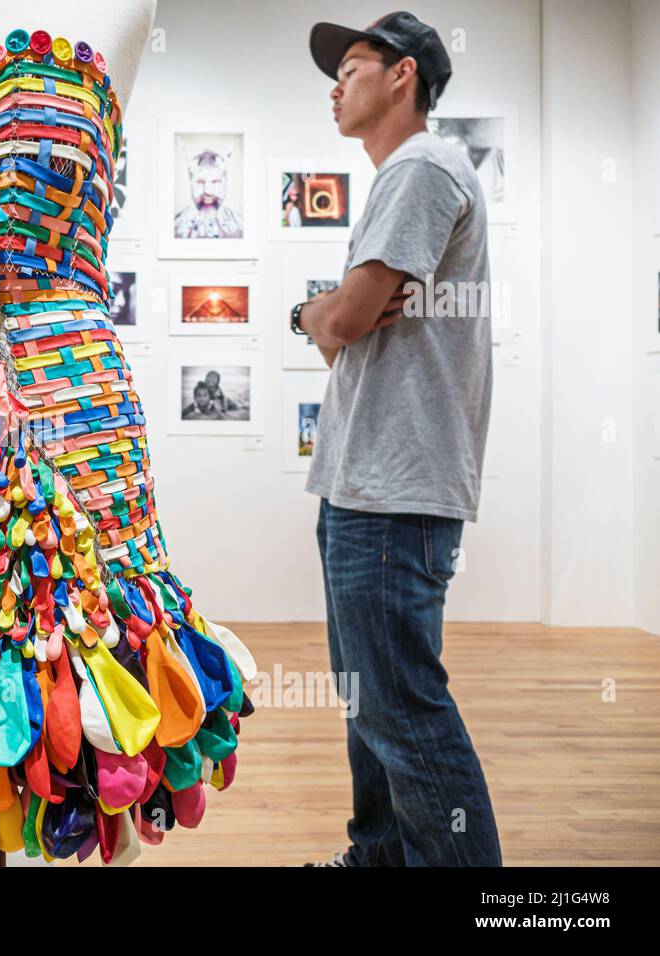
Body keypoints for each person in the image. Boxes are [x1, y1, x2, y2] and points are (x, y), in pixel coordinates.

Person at [291, 10, 501, 866]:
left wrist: (315, 312)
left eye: (352, 64)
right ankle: (376, 859)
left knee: (400, 707)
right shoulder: (406, 175)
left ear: (404, 73)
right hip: (364, 487)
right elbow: (358, 318)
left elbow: (343, 318)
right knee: (368, 702)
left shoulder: (420, 165)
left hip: (392, 494)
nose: (335, 87)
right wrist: (342, 315)